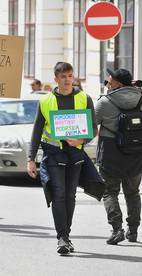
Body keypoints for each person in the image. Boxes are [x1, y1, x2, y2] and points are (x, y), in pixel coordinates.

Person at [27, 62, 98, 255]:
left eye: (70, 76)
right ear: (56, 79)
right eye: (64, 76)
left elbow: (93, 128)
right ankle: (62, 237)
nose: (68, 80)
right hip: (53, 153)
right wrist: (31, 158)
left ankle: (66, 234)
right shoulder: (46, 101)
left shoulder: (84, 98)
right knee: (58, 195)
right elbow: (37, 131)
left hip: (75, 154)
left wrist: (81, 140)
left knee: (70, 196)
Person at [95, 68, 142, 244]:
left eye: (110, 80)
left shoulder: (105, 102)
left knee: (109, 192)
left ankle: (117, 229)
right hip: (136, 154)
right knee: (133, 193)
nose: (107, 82)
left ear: (119, 84)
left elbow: (91, 126)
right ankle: (133, 231)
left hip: (110, 155)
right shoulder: (141, 98)